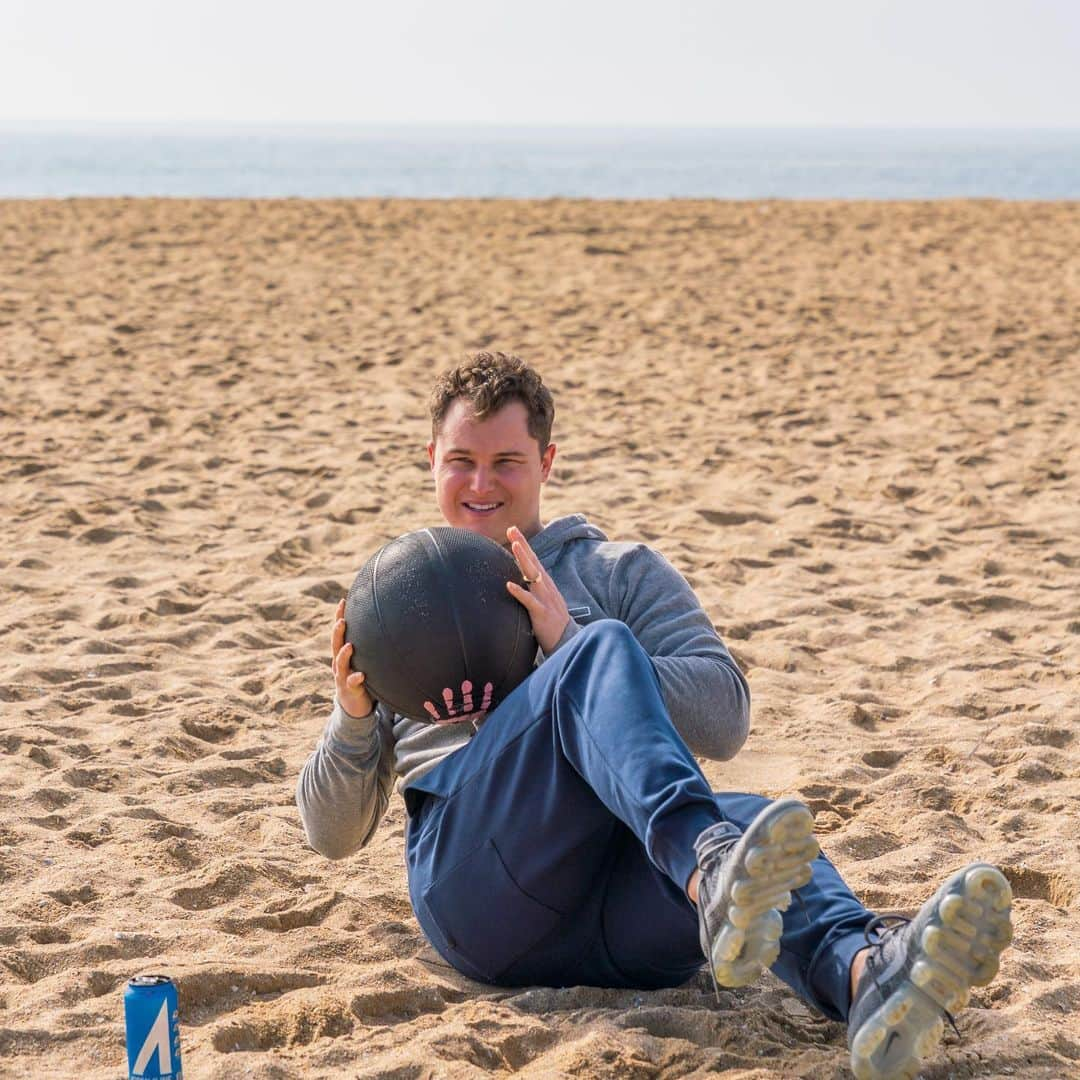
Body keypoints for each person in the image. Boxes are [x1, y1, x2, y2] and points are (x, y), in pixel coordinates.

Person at [297, 352, 1013, 1080]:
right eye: (462, 461)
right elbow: (330, 834)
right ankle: (707, 865)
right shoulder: (401, 602)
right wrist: (354, 719)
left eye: (506, 461)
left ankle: (866, 978)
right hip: (477, 897)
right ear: (431, 460)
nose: (481, 484)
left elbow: (725, 713)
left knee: (759, 828)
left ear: (547, 460)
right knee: (615, 672)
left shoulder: (617, 572)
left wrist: (564, 641)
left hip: (621, 913)